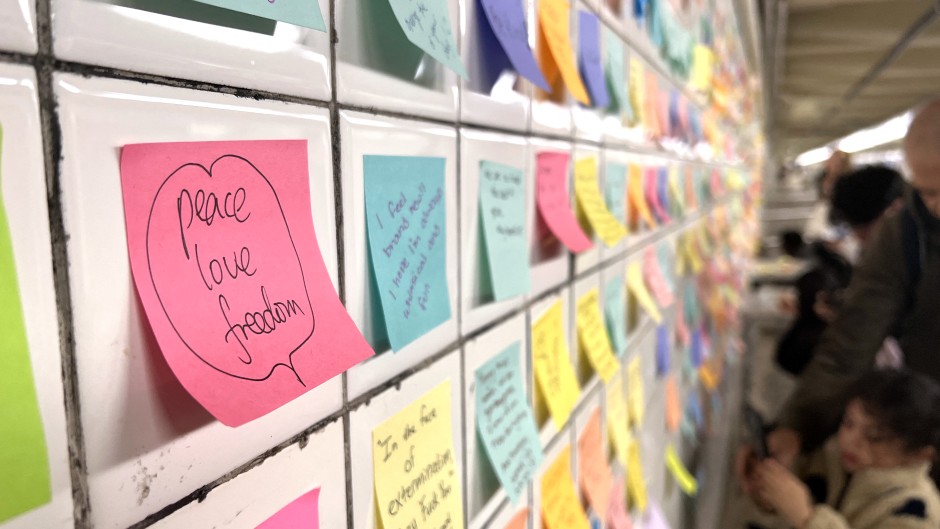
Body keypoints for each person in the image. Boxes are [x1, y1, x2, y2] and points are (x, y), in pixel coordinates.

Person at [767, 98, 940, 469]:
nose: (936, 207)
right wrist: (796, 428)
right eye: (927, 192)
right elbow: (849, 346)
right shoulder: (907, 233)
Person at [754, 369, 940, 529]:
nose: (850, 440)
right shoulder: (837, 455)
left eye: (873, 437)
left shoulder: (917, 513)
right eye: (848, 423)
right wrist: (770, 488)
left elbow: (804, 512)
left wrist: (808, 519)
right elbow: (803, 487)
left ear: (919, 455)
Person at [775, 166, 905, 376]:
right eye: (855, 230)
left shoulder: (914, 262)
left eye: (864, 230)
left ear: (895, 209)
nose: (860, 238)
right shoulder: (877, 254)